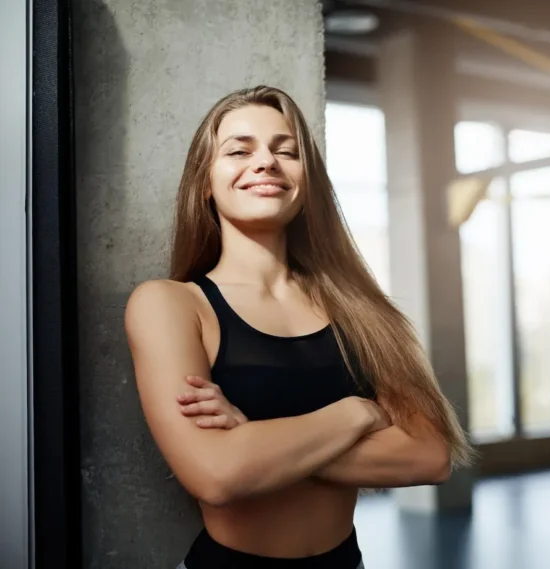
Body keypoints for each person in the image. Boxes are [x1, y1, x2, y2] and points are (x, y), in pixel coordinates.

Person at [124, 85, 474, 569]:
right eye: (239, 151)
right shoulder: (170, 305)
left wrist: (255, 436)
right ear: (205, 181)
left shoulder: (365, 314)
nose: (265, 162)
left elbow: (429, 457)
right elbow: (216, 474)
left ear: (306, 181)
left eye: (286, 151)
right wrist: (358, 414)